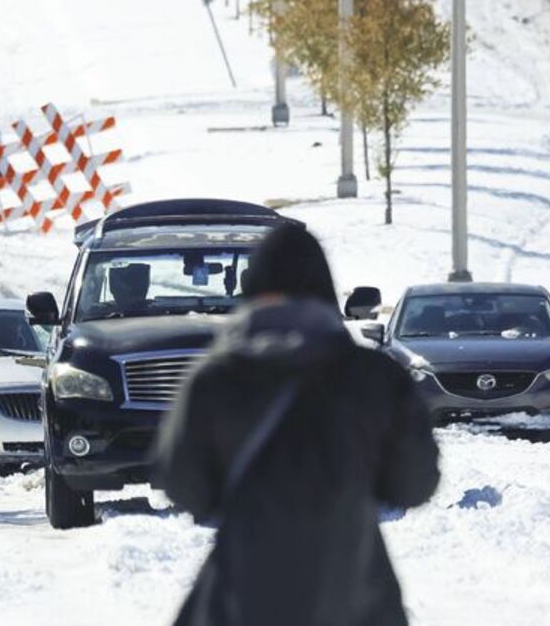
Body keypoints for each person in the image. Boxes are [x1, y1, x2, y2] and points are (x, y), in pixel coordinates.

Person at [155, 224, 440, 626]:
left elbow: (183, 485)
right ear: (324, 289)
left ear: (252, 289)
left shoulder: (215, 378)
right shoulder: (376, 377)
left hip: (244, 598)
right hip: (357, 594)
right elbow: (415, 483)